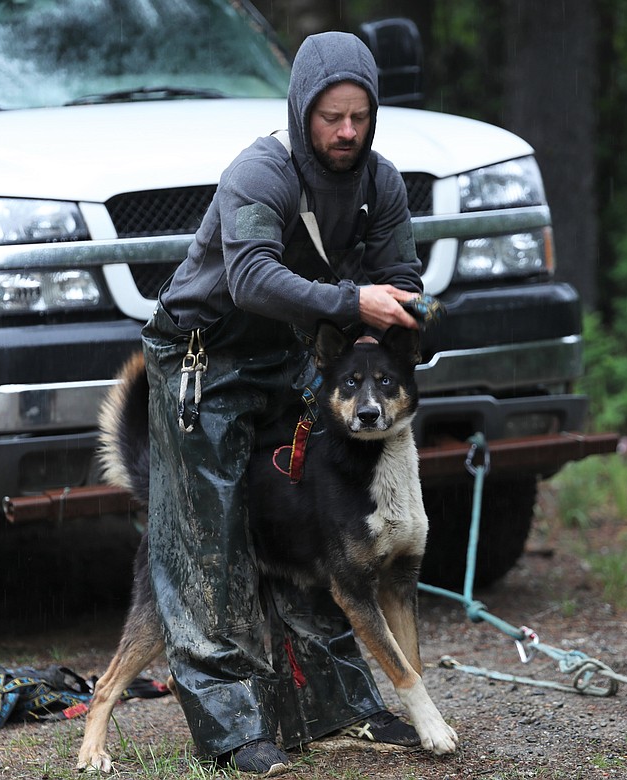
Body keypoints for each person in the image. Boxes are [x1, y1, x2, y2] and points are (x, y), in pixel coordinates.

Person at [139, 31, 424, 777]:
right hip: (204, 356)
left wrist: (408, 310)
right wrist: (350, 299)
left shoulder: (380, 181)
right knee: (213, 543)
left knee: (311, 529)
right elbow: (253, 281)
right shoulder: (258, 173)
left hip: (289, 360)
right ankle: (232, 730)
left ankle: (337, 709)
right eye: (331, 117)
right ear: (302, 110)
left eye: (360, 116)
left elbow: (400, 274)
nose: (347, 132)